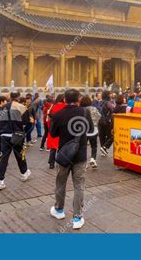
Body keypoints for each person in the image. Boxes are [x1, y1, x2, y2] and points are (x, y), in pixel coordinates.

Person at [49, 89, 93, 230]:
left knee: (60, 183)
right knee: (79, 186)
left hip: (64, 155)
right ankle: (77, 217)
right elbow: (91, 130)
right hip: (80, 155)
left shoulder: (58, 115)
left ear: (64, 100)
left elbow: (53, 134)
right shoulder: (85, 112)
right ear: (78, 99)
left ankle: (59, 210)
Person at [0, 91, 31, 190]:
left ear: (10, 97)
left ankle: (0, 181)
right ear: (18, 98)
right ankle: (24, 174)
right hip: (17, 135)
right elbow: (27, 123)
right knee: (20, 155)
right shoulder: (21, 107)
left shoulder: (2, 107)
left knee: (3, 158)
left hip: (4, 135)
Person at [80, 95, 101, 168]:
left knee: (83, 146)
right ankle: (93, 159)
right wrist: (95, 122)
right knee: (94, 145)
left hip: (84, 130)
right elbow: (99, 116)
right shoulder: (94, 108)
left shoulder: (81, 109)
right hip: (93, 130)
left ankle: (84, 162)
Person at [46, 94, 66, 168]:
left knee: (53, 148)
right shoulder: (65, 106)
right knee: (61, 147)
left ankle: (51, 163)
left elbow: (49, 119)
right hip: (63, 130)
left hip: (53, 129)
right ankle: (60, 162)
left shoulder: (53, 106)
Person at [98, 91, 115, 157]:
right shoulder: (108, 103)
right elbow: (113, 110)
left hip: (100, 121)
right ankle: (105, 147)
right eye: (110, 94)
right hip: (107, 122)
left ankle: (103, 150)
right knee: (111, 136)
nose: (111, 95)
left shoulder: (100, 102)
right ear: (108, 95)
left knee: (102, 136)